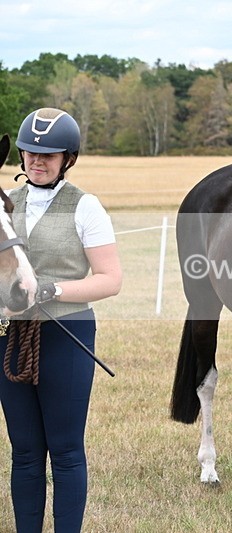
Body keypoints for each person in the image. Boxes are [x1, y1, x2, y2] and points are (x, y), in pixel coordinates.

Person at [0, 108, 122, 532]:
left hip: (66, 335)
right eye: (30, 152)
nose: (37, 161)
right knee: (25, 452)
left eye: (48, 155)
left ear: (68, 158)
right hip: (10, 337)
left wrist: (52, 289)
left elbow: (110, 279)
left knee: (66, 451)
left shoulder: (85, 206)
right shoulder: (5, 202)